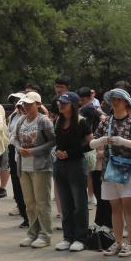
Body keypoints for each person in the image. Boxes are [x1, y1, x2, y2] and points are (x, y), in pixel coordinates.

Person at [90, 88, 131, 257]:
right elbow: (92, 143)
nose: (115, 102)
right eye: (113, 99)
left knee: (129, 206)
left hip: (129, 169)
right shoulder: (106, 121)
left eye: (119, 99)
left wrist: (122, 141)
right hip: (109, 169)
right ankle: (119, 242)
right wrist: (103, 140)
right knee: (115, 207)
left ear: (126, 103)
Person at [13, 92, 55, 248]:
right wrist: (19, 148)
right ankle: (32, 233)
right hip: (23, 166)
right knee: (29, 203)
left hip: (41, 167)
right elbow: (15, 138)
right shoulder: (21, 120)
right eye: (24, 104)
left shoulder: (44, 121)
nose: (26, 107)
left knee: (42, 203)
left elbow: (53, 141)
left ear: (38, 104)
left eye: (30, 104)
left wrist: (33, 151)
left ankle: (45, 234)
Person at [53, 91, 92, 251]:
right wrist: (58, 151)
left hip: (76, 164)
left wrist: (70, 153)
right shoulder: (58, 120)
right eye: (60, 102)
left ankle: (80, 237)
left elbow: (90, 143)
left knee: (79, 203)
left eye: (65, 103)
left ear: (73, 105)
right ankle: (67, 236)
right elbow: (57, 141)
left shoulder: (82, 122)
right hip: (60, 164)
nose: (61, 105)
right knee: (65, 203)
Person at [5, 93, 29, 228]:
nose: (17, 104)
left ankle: (33, 217)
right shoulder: (13, 116)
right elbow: (9, 133)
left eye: (19, 101)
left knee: (28, 186)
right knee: (16, 184)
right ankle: (24, 214)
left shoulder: (34, 116)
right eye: (14, 101)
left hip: (29, 153)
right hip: (14, 151)